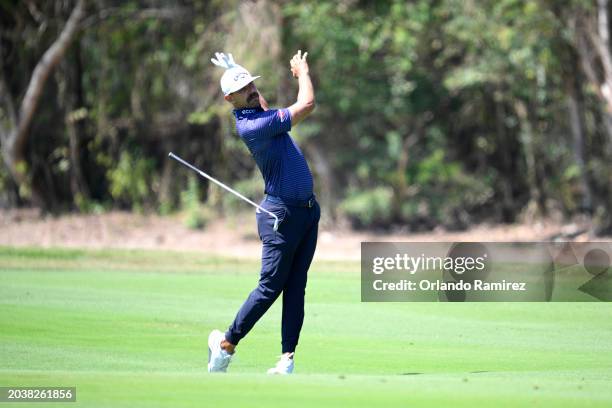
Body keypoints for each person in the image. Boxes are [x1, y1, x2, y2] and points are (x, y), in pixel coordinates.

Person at [207, 51, 320, 374]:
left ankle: (287, 359)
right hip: (280, 217)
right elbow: (307, 105)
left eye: (252, 85)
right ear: (230, 99)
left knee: (296, 284)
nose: (253, 91)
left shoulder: (258, 112)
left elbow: (263, 102)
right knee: (271, 286)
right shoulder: (254, 126)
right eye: (244, 89)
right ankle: (226, 345)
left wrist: (237, 70)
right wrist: (303, 73)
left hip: (307, 213)